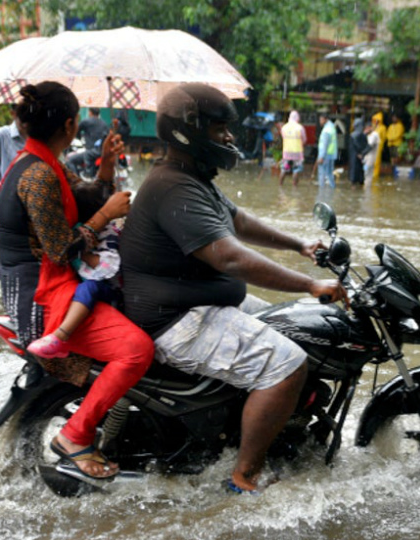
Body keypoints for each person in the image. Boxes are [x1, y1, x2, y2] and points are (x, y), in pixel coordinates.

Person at [119, 84, 346, 494]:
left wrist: (299, 245)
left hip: (201, 302)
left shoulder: (191, 178)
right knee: (288, 364)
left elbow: (237, 221)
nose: (228, 138)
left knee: (293, 324)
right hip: (178, 319)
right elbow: (231, 258)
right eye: (219, 129)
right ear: (189, 131)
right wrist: (312, 284)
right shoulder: (174, 187)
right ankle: (244, 476)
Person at [0, 81, 152, 481]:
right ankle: (76, 434)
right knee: (136, 349)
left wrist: (106, 167)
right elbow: (61, 249)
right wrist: (104, 217)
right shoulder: (37, 175)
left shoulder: (43, 162)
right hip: (45, 295)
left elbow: (83, 197)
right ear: (68, 125)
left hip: (56, 283)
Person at [27, 219, 122, 359]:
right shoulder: (68, 234)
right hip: (89, 282)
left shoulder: (111, 230)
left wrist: (82, 252)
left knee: (89, 287)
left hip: (115, 288)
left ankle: (60, 335)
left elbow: (108, 267)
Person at [67, 107, 110, 176]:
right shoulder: (104, 123)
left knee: (70, 161)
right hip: (101, 152)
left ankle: (77, 181)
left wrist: (79, 137)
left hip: (91, 152)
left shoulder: (86, 121)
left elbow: (76, 131)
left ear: (90, 112)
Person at [279, 110, 306, 186]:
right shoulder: (300, 128)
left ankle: (280, 185)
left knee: (284, 169)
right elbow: (304, 139)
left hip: (287, 153)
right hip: (297, 153)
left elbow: (283, 137)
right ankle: (294, 186)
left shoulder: (284, 128)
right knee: (296, 170)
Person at [315, 113, 338, 188]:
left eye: (321, 120)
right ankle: (331, 189)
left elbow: (324, 145)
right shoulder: (332, 127)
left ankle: (322, 192)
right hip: (331, 155)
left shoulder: (326, 130)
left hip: (325, 156)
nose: (320, 122)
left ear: (325, 119)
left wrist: (321, 157)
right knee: (329, 174)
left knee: (323, 175)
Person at [348, 117, 367, 185]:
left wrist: (359, 153)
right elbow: (365, 145)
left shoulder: (353, 135)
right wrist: (362, 153)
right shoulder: (363, 135)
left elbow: (355, 146)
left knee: (354, 175)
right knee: (361, 174)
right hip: (361, 157)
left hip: (354, 157)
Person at [364, 121, 380, 186]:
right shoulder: (370, 135)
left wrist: (362, 154)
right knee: (368, 175)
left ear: (370, 128)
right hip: (368, 158)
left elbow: (370, 146)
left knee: (366, 172)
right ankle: (367, 189)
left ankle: (366, 187)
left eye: (367, 128)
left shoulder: (374, 135)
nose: (366, 130)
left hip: (370, 158)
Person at [370, 112, 386, 178]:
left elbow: (384, 137)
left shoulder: (383, 128)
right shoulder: (373, 127)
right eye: (374, 120)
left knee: (377, 160)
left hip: (378, 146)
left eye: (377, 120)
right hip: (371, 145)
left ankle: (375, 174)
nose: (375, 121)